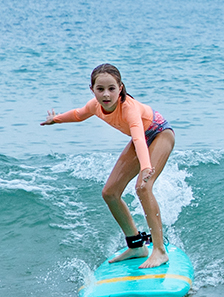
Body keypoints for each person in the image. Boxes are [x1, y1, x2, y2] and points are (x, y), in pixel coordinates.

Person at [41, 64, 175, 268]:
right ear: (92, 89)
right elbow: (78, 114)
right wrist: (56, 120)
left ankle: (159, 251)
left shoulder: (129, 108)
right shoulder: (95, 106)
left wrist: (145, 166)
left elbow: (139, 138)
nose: (106, 94)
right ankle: (137, 245)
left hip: (160, 134)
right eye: (100, 89)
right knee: (110, 193)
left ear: (120, 88)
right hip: (142, 140)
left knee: (143, 187)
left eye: (111, 88)